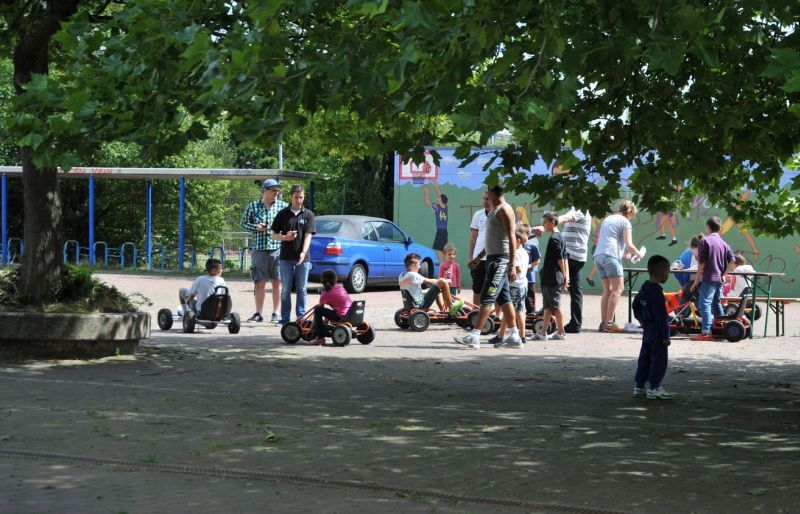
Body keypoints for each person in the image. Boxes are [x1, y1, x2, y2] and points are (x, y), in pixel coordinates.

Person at [454, 183, 522, 349]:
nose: (485, 198)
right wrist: (478, 257)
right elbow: (491, 239)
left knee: (487, 296)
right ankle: (514, 336)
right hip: (492, 259)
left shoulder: (504, 210)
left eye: (487, 194)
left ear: (492, 193)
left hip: (501, 261)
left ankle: (475, 335)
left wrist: (512, 264)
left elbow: (512, 237)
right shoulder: (494, 210)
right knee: (504, 298)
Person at [534, 207, 591, 333]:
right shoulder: (578, 210)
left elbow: (564, 218)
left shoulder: (580, 209)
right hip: (577, 255)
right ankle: (575, 324)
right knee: (575, 290)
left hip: (571, 254)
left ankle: (548, 308)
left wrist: (544, 227)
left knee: (549, 278)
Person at [592, 200, 644, 333]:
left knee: (607, 290)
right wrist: (639, 254)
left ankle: (604, 323)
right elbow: (629, 244)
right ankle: (610, 323)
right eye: (633, 215)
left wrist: (628, 253)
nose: (632, 217)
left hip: (598, 256)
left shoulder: (608, 219)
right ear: (630, 212)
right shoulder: (625, 222)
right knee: (618, 288)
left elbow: (611, 239)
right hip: (611, 256)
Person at [241, 178, 286, 323]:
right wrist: (256, 227)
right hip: (259, 249)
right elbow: (243, 223)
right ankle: (258, 313)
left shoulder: (283, 206)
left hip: (277, 248)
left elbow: (289, 224)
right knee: (259, 282)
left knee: (277, 282)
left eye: (277, 190)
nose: (276, 193)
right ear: (265, 190)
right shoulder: (252, 206)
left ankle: (276, 313)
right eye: (273, 190)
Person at [271, 184, 316, 326]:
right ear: (291, 196)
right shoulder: (283, 214)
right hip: (286, 257)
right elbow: (274, 235)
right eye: (296, 197)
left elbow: (308, 235)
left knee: (302, 289)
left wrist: (303, 252)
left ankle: (301, 317)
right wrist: (285, 237)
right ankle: (285, 318)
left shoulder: (308, 214)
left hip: (303, 258)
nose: (298, 200)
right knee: (286, 289)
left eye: (301, 197)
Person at [632, 255, 673, 400]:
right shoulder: (657, 293)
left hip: (647, 330)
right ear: (663, 272)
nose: (668, 274)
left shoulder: (644, 288)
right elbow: (662, 316)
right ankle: (654, 387)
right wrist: (666, 335)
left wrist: (641, 319)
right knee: (658, 359)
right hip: (657, 331)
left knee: (645, 357)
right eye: (668, 272)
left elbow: (635, 305)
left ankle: (639, 386)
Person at [690, 216, 736, 341]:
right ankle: (722, 328)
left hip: (709, 278)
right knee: (716, 303)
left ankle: (706, 332)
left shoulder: (705, 241)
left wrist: (696, 280)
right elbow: (732, 261)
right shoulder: (724, 243)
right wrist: (724, 275)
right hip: (719, 279)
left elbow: (701, 263)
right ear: (720, 228)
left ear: (708, 227)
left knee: (704, 304)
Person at [533, 212, 569, 341]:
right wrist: (566, 276)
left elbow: (561, 259)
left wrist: (565, 276)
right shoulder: (560, 237)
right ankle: (543, 333)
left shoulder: (555, 238)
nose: (543, 225)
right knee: (548, 306)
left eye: (545, 223)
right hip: (550, 277)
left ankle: (561, 332)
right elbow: (565, 257)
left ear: (553, 222)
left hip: (552, 277)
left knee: (556, 306)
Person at [491, 227, 529, 348]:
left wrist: (507, 269)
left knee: (511, 311)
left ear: (517, 241)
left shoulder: (516, 253)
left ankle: (509, 336)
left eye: (510, 240)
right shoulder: (524, 252)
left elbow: (518, 269)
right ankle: (512, 336)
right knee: (518, 311)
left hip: (514, 286)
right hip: (522, 285)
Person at [311, 269, 353, 346]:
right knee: (331, 310)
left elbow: (320, 310)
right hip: (350, 313)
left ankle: (320, 338)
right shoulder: (341, 288)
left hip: (341, 316)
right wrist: (326, 320)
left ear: (322, 281)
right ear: (335, 280)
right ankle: (324, 329)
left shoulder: (325, 294)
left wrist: (312, 328)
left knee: (317, 309)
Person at [467, 190, 491, 305]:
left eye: (487, 199)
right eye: (484, 198)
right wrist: (470, 257)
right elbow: (473, 238)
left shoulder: (500, 214)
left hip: (494, 258)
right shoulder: (478, 214)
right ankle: (476, 312)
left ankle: (496, 314)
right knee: (477, 288)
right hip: (478, 259)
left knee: (493, 289)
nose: (485, 201)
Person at [423, 178, 448, 263]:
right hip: (442, 231)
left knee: (439, 249)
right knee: (441, 249)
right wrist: (428, 191)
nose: (438, 197)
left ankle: (442, 265)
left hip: (442, 231)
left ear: (441, 199)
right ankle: (443, 264)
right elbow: (427, 201)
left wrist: (433, 186)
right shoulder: (440, 207)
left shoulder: (442, 207)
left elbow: (438, 193)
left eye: (439, 197)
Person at [521, 224, 541, 314]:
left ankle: (531, 316)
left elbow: (537, 260)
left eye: (522, 233)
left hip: (529, 278)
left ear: (528, 234)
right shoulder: (517, 245)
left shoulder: (533, 246)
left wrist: (529, 266)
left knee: (529, 300)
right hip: (519, 278)